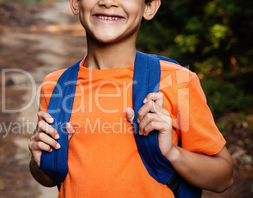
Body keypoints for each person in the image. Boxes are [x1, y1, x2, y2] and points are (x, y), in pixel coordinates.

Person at [28, 0, 234, 197]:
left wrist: (172, 152)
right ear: (75, 3)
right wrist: (38, 161)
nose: (108, 2)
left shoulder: (176, 81)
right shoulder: (56, 86)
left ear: (150, 7)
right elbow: (48, 177)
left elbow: (223, 178)